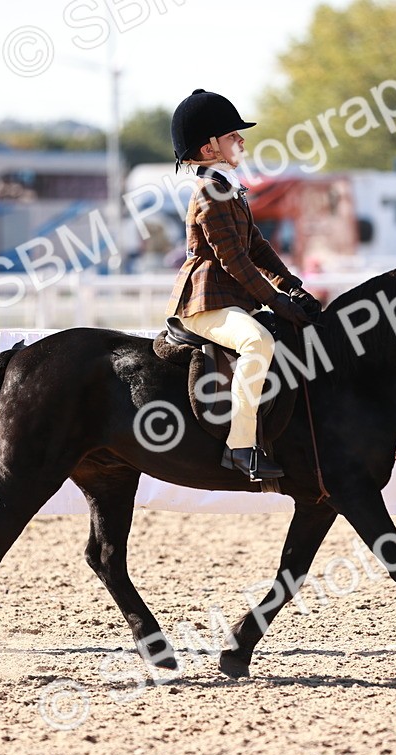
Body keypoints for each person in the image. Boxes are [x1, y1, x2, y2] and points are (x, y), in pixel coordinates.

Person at [165, 89, 320, 481]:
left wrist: (293, 286)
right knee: (258, 342)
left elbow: (257, 247)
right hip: (203, 303)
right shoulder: (209, 194)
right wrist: (277, 301)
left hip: (228, 299)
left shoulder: (229, 188)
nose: (242, 140)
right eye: (234, 136)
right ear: (209, 148)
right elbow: (232, 259)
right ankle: (242, 448)